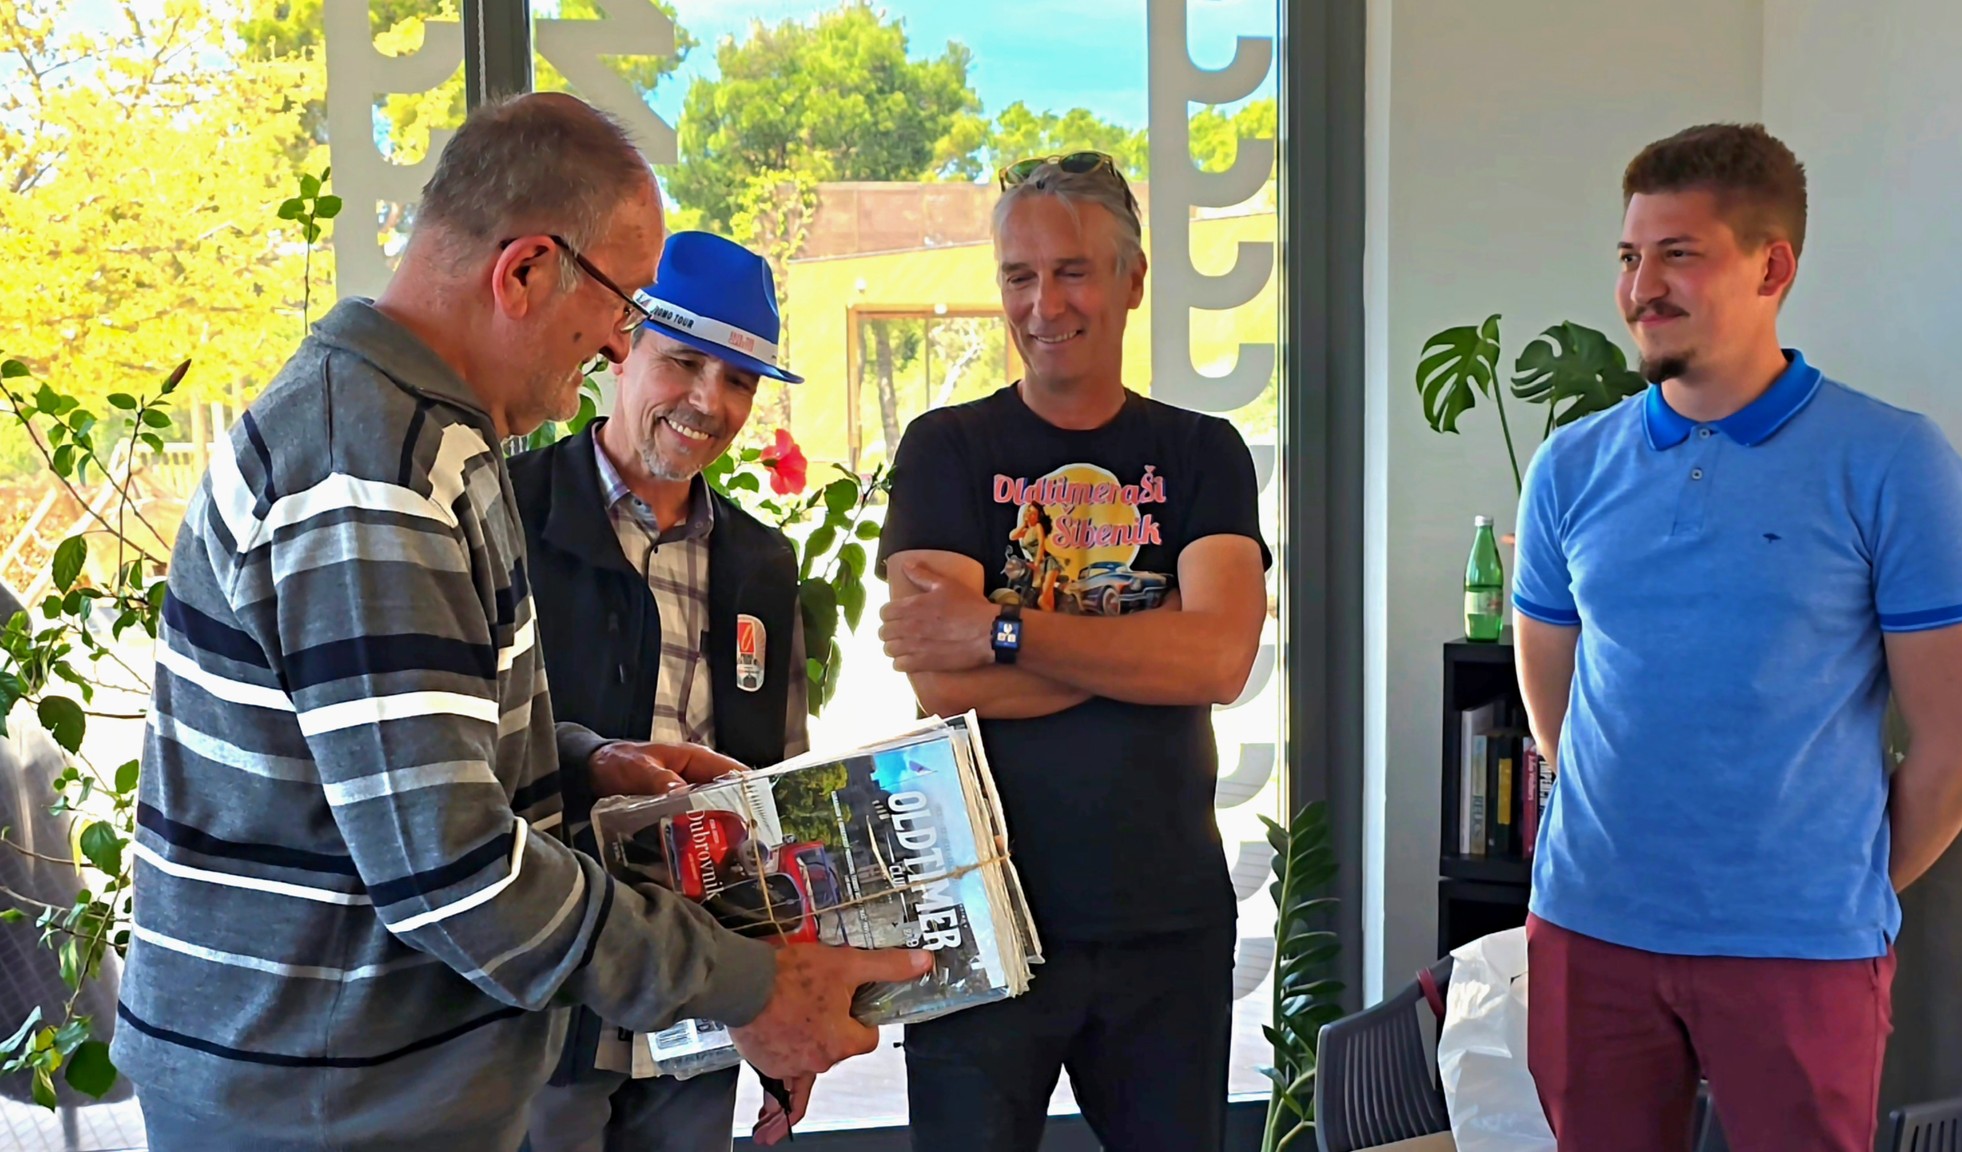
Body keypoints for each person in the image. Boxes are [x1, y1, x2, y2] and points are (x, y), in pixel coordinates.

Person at [113, 93, 927, 1152]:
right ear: (528, 271)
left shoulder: (428, 441)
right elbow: (452, 875)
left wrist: (580, 762)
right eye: (626, 307)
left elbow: (396, 758)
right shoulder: (373, 472)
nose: (618, 344)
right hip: (326, 1108)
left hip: (366, 1091)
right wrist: (748, 984)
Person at [1512, 123, 1962, 1151]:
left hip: (1799, 949)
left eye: (1677, 254)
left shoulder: (1892, 462)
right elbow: (1554, 704)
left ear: (1771, 267)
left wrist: (1830, 883)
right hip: (1591, 931)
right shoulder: (1569, 466)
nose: (1640, 288)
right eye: (1628, 255)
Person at [877, 151, 1271, 1152]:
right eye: (1019, 275)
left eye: (1072, 272)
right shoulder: (945, 448)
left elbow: (1219, 661)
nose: (1043, 304)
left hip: (1165, 922)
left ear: (1132, 279)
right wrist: (1146, 642)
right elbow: (942, 680)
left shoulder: (1201, 453)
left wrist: (1000, 629)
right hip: (982, 916)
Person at [513, 231, 814, 1151]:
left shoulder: (761, 562)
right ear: (620, 345)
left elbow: (778, 792)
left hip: (701, 1007)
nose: (709, 402)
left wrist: (786, 1003)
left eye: (739, 381)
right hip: (544, 997)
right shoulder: (507, 512)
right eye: (683, 362)